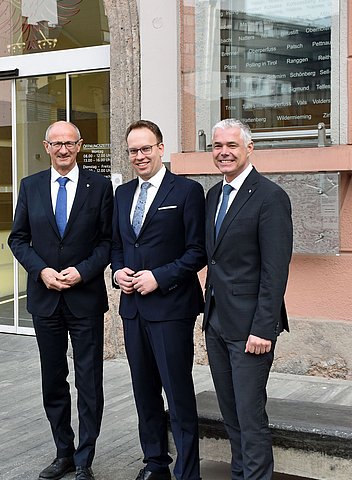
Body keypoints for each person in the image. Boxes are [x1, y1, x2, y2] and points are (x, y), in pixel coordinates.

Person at [8, 121, 113, 480]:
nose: (64, 149)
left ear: (80, 146)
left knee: (89, 381)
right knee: (53, 379)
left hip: (84, 297)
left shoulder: (99, 187)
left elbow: (107, 243)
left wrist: (83, 271)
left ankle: (85, 459)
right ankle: (63, 452)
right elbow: (18, 239)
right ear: (46, 146)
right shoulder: (31, 186)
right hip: (45, 298)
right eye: (57, 144)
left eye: (70, 143)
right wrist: (41, 271)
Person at [111, 120, 206, 480]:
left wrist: (159, 277)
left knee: (177, 392)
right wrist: (118, 272)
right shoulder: (121, 195)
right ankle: (155, 463)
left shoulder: (186, 191)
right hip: (133, 310)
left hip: (171, 309)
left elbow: (197, 252)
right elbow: (118, 246)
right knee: (144, 391)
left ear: (161, 148)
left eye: (146, 148)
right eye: (133, 150)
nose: (139, 156)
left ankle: (187, 471)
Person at [202, 118, 293, 480]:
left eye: (232, 146)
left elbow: (275, 272)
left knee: (250, 417)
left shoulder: (270, 197)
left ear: (249, 148)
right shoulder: (213, 196)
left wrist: (263, 329)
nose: (223, 152)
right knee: (231, 415)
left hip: (251, 330)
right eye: (217, 146)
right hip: (217, 324)